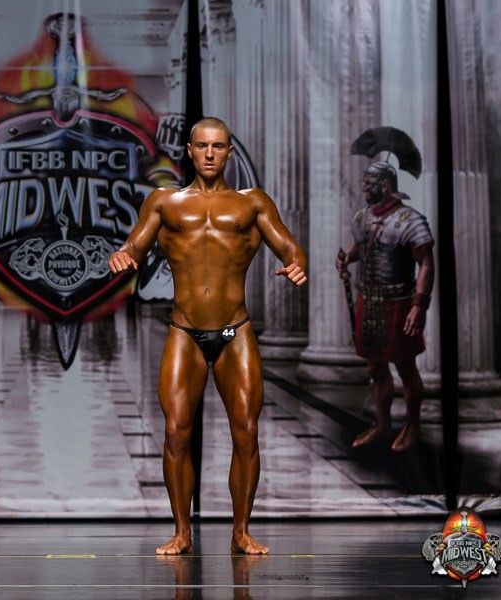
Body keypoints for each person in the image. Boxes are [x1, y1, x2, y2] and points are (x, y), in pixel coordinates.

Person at [108, 117, 307, 555]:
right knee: (176, 432)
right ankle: (182, 531)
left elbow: (290, 247)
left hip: (236, 332)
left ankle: (241, 531)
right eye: (202, 146)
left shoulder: (252, 203)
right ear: (190, 150)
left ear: (230, 152)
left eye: (218, 146)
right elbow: (134, 244)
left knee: (247, 431)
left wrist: (297, 263)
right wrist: (123, 255)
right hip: (185, 332)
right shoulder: (164, 202)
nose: (210, 154)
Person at [335, 161, 433, 452]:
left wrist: (419, 305)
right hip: (370, 301)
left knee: (405, 366)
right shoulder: (363, 217)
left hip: (399, 303)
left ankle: (412, 425)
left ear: (386, 185)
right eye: (364, 182)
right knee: (376, 366)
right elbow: (361, 246)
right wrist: (346, 258)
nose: (364, 188)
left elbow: (425, 264)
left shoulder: (409, 219)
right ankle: (382, 424)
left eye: (369, 183)